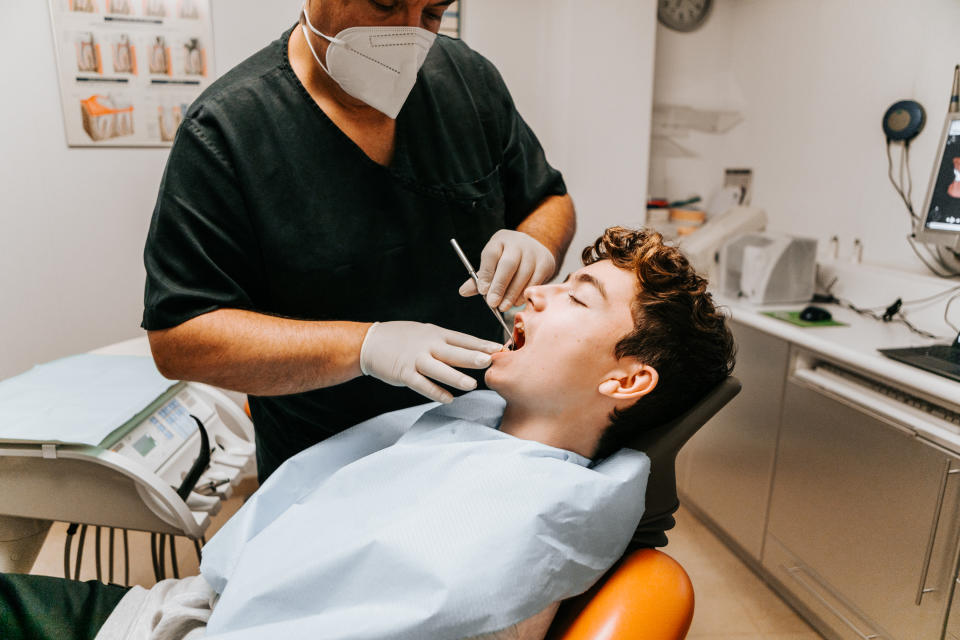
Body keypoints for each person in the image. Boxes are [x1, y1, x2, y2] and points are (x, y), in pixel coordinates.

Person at [2, 228, 735, 640]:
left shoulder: (525, 523)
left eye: (577, 295)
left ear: (628, 381)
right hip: (186, 612)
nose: (534, 291)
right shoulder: (479, 426)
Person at [142, 0, 576, 484]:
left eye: (432, 12)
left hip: (472, 443)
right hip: (324, 472)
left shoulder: (467, 80)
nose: (409, 34)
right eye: (385, 4)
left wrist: (533, 242)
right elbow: (181, 338)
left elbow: (549, 200)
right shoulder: (228, 131)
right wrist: (364, 347)